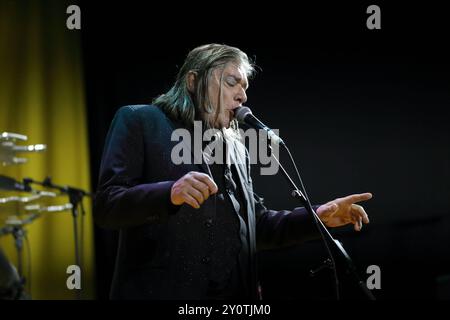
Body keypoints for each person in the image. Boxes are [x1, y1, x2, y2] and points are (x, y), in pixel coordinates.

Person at [94, 44, 372, 300]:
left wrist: (317, 217)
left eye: (245, 86)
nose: (243, 95)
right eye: (231, 82)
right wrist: (169, 193)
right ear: (194, 81)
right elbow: (107, 206)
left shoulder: (236, 145)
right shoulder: (140, 120)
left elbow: (255, 226)